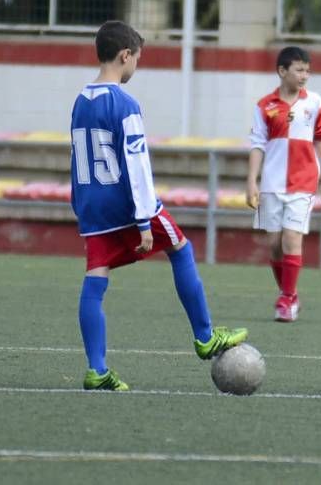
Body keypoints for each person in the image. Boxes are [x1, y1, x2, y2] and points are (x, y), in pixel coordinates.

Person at [70, 20, 247, 391]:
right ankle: (204, 336)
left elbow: (77, 158)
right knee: (182, 249)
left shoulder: (80, 100)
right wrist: (144, 217)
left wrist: (81, 207)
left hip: (92, 206)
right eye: (137, 58)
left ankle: (97, 369)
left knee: (96, 276)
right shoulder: (125, 103)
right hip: (127, 204)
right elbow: (137, 162)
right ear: (125, 55)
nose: (136, 66)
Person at [246, 46, 321, 322]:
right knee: (274, 243)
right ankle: (289, 293)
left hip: (303, 182)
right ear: (282, 71)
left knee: (291, 238)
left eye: (307, 70)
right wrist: (252, 181)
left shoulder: (315, 103)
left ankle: (286, 298)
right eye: (299, 69)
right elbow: (258, 146)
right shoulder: (264, 106)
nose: (304, 75)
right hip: (272, 183)